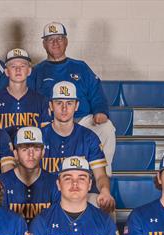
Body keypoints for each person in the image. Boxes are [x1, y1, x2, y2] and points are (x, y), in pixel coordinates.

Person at [30, 22, 117, 175]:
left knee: (107, 127)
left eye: (59, 38)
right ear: (44, 44)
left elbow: (96, 92)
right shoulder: (37, 71)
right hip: (52, 123)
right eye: (50, 39)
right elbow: (29, 100)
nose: (55, 43)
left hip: (82, 120)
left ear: (66, 41)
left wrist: (100, 111)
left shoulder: (80, 67)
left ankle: (101, 176)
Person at [42, 82, 115, 213]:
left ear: (76, 106)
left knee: (102, 203)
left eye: (69, 103)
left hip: (77, 196)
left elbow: (100, 176)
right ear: (51, 105)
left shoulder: (89, 137)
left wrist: (105, 191)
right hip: (44, 196)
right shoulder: (39, 136)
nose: (64, 108)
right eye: (59, 103)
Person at [0, 126, 60, 223]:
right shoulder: (2, 182)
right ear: (16, 154)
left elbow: (58, 221)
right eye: (25, 149)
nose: (31, 154)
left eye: (36, 148)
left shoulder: (54, 182)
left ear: (43, 152)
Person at [0, 49, 50, 141]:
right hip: (2, 149)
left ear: (29, 71)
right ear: (6, 72)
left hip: (31, 149)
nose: (18, 70)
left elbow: (46, 135)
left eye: (22, 66)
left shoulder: (41, 100)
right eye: (13, 66)